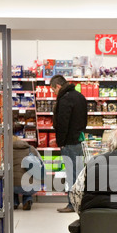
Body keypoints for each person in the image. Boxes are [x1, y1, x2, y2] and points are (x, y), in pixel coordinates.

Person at [50, 74, 87, 213]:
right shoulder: (80, 96)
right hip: (78, 140)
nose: (54, 93)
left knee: (71, 174)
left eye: (53, 90)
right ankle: (80, 203)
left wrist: (61, 142)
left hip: (69, 143)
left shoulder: (65, 99)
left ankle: (72, 204)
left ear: (58, 86)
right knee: (79, 174)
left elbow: (62, 123)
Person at [13, 136, 44, 210]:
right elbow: (41, 164)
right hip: (30, 186)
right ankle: (27, 200)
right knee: (29, 182)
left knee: (12, 181)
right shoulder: (31, 149)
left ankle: (14, 202)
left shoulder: (7, 150)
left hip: (12, 186)